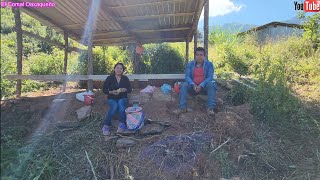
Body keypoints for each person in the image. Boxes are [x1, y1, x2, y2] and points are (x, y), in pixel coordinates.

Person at [174, 47, 217, 116]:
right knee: (184, 84)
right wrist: (193, 84)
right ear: (195, 56)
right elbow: (187, 77)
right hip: (192, 87)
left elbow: (210, 77)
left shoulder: (209, 65)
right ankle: (182, 108)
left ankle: (210, 108)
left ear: (204, 56)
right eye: (197, 54)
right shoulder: (190, 64)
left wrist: (201, 85)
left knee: (211, 85)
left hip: (204, 88)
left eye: (201, 55)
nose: (199, 57)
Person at [102, 62, 132, 135]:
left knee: (121, 106)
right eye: (117, 68)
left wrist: (125, 90)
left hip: (123, 97)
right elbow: (104, 90)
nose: (119, 70)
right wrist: (111, 92)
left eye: (121, 68)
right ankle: (106, 125)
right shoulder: (110, 78)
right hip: (112, 97)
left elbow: (130, 89)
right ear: (114, 69)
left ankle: (122, 124)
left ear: (123, 70)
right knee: (114, 106)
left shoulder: (125, 78)